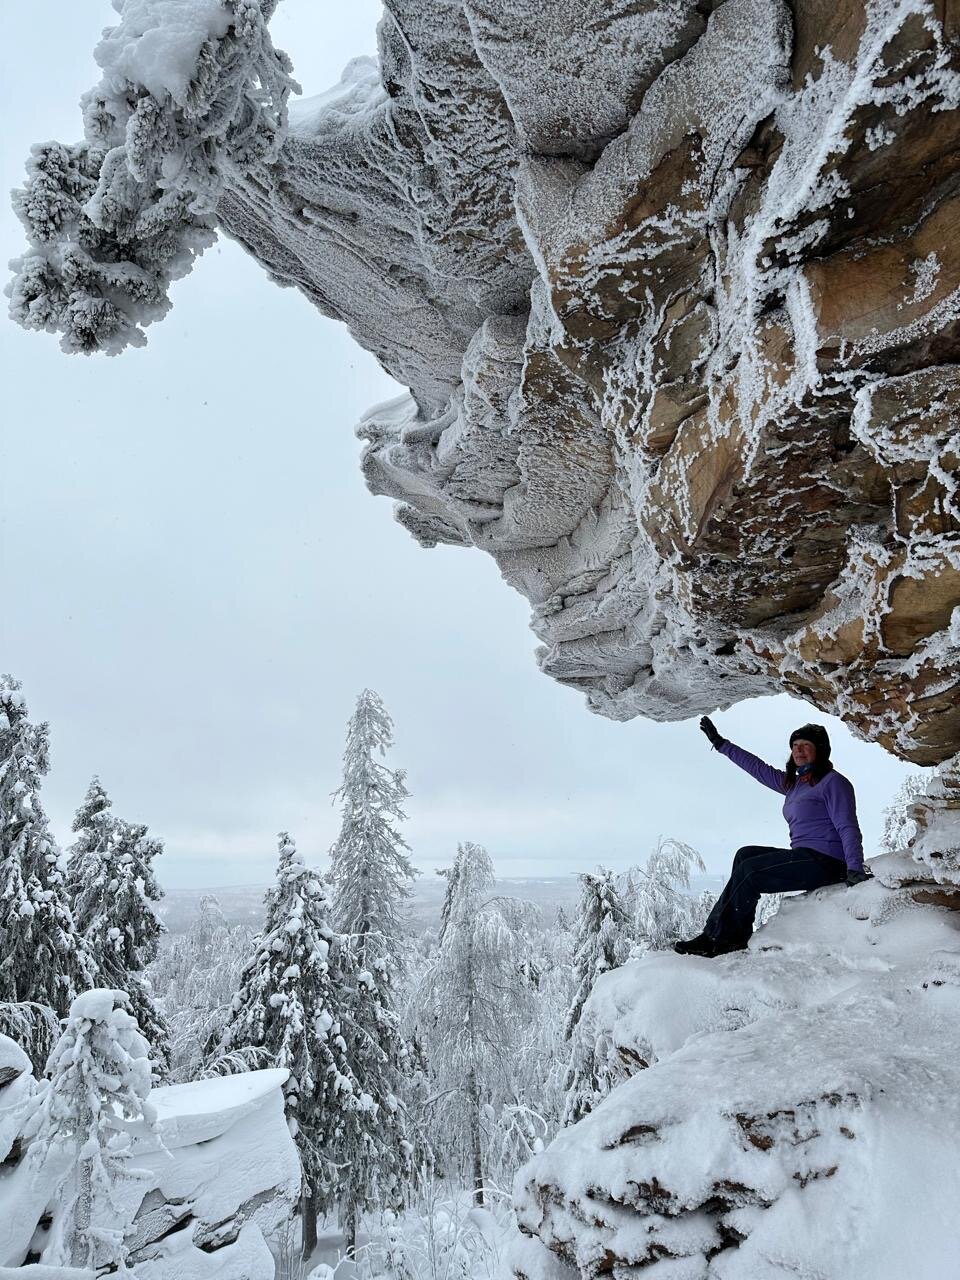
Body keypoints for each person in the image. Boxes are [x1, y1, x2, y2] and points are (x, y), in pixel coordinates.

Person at [675, 718, 872, 958]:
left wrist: (854, 868)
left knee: (751, 870)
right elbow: (757, 768)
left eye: (805, 745)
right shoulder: (795, 784)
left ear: (819, 750)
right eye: (795, 745)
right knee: (745, 854)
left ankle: (715, 939)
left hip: (828, 862)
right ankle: (735, 936)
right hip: (805, 857)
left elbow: (848, 826)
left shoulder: (833, 783)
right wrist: (721, 744)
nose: (798, 749)